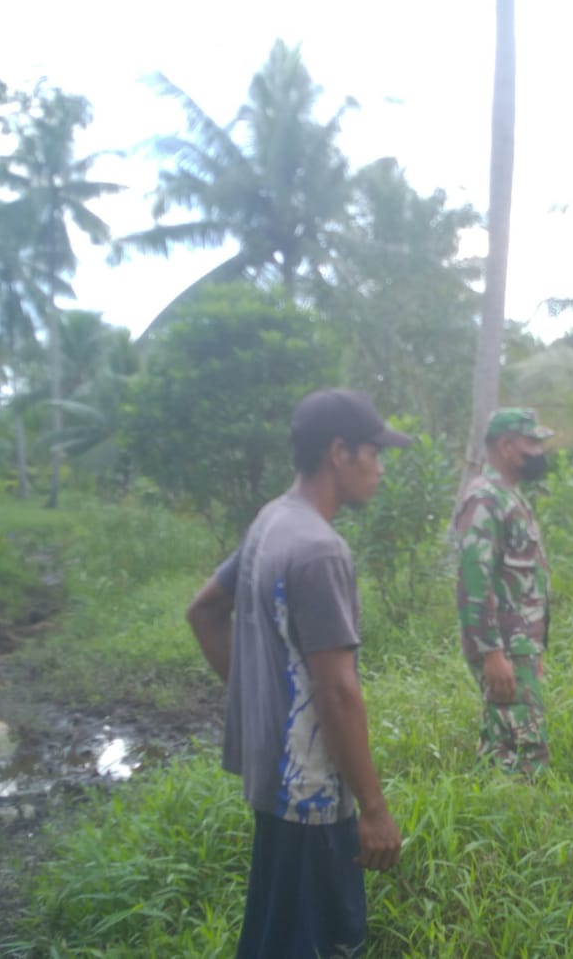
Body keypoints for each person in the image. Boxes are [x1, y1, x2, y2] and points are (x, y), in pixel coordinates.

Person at [185, 388, 410, 959]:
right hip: (313, 798)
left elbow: (204, 611)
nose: (380, 469)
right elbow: (336, 692)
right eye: (374, 453)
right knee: (329, 943)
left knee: (276, 939)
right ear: (340, 452)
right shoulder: (319, 549)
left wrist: (264, 707)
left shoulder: (270, 523)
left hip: (273, 783)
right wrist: (376, 811)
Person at [452, 407, 555, 776]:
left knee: (502, 745)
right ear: (507, 446)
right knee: (524, 750)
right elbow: (473, 578)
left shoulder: (508, 495)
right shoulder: (486, 498)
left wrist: (534, 649)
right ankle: (525, 825)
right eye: (532, 443)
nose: (540, 452)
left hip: (520, 644)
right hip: (504, 644)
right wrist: (493, 653)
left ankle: (492, 818)